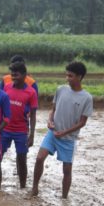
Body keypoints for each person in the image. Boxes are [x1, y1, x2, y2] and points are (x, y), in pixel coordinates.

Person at [31, 62, 93, 198]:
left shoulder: (87, 98)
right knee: (39, 158)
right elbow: (53, 110)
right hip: (53, 134)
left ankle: (64, 198)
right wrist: (49, 121)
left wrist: (64, 132)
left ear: (79, 77)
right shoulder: (61, 90)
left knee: (67, 170)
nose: (67, 78)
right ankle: (34, 188)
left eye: (70, 76)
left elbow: (82, 122)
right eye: (66, 75)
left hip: (68, 139)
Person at [0, 62, 38, 188]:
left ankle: (22, 187)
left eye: (16, 75)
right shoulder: (6, 88)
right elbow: (0, 108)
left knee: (22, 159)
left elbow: (33, 115)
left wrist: (32, 135)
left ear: (24, 75)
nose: (14, 78)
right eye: (12, 75)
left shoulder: (31, 92)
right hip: (4, 129)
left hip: (21, 131)